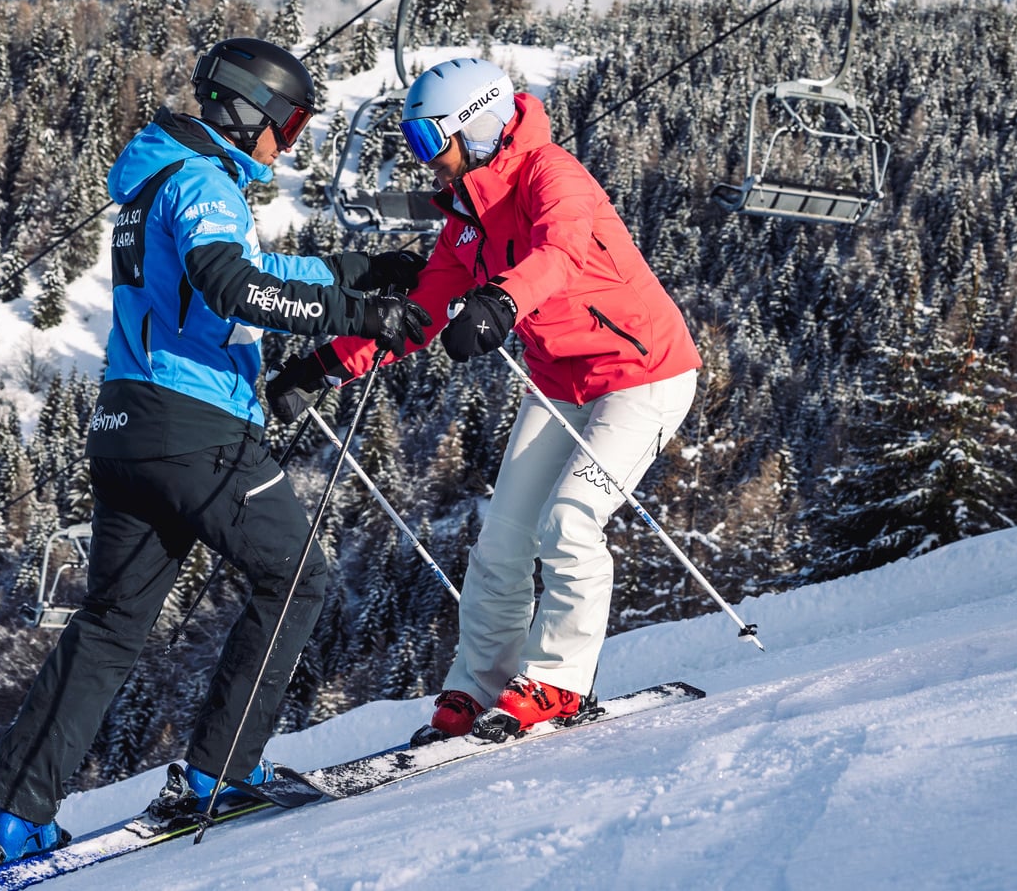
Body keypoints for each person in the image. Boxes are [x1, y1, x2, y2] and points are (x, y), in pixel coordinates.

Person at [0, 37, 432, 878]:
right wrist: (359, 315)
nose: (291, 143)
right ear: (252, 113)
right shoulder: (205, 183)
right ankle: (220, 772)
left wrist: (363, 267)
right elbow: (234, 286)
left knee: (109, 624)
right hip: (196, 431)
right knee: (298, 578)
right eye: (291, 124)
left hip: (125, 429)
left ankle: (17, 820)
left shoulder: (159, 181)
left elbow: (256, 266)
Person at [268, 56, 702, 741]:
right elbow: (420, 310)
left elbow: (557, 255)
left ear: (477, 127)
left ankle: (558, 681)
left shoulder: (553, 176)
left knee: (572, 521)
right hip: (562, 384)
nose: (422, 161)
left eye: (426, 141)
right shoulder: (465, 216)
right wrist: (322, 368)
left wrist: (502, 300)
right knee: (502, 540)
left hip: (643, 375)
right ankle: (481, 685)